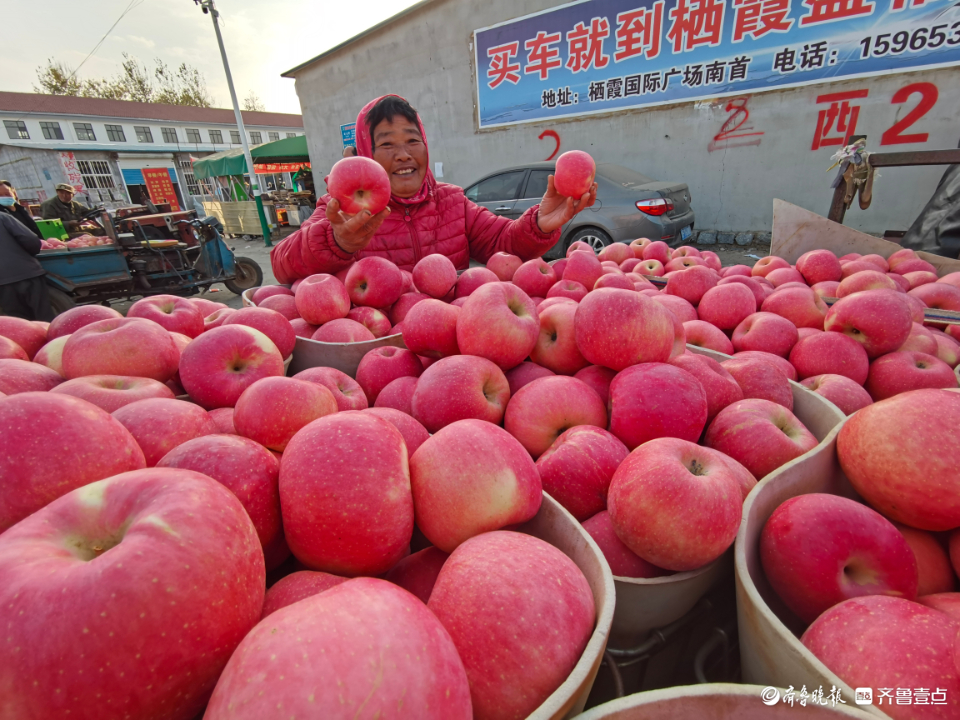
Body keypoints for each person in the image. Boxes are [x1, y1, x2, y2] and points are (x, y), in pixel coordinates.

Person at [271, 95, 596, 281]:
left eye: (413, 140)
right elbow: (281, 262)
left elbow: (504, 243)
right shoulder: (342, 210)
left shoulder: (452, 202)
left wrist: (539, 223)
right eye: (387, 144)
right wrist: (337, 241)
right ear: (366, 153)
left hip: (451, 343)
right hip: (378, 347)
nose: (404, 154)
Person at [0, 183, 54, 321]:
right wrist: (29, 254)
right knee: (44, 317)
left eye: (7, 194)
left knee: (20, 321)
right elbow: (30, 239)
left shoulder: (13, 212)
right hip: (27, 273)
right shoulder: (3, 217)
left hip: (3, 283)